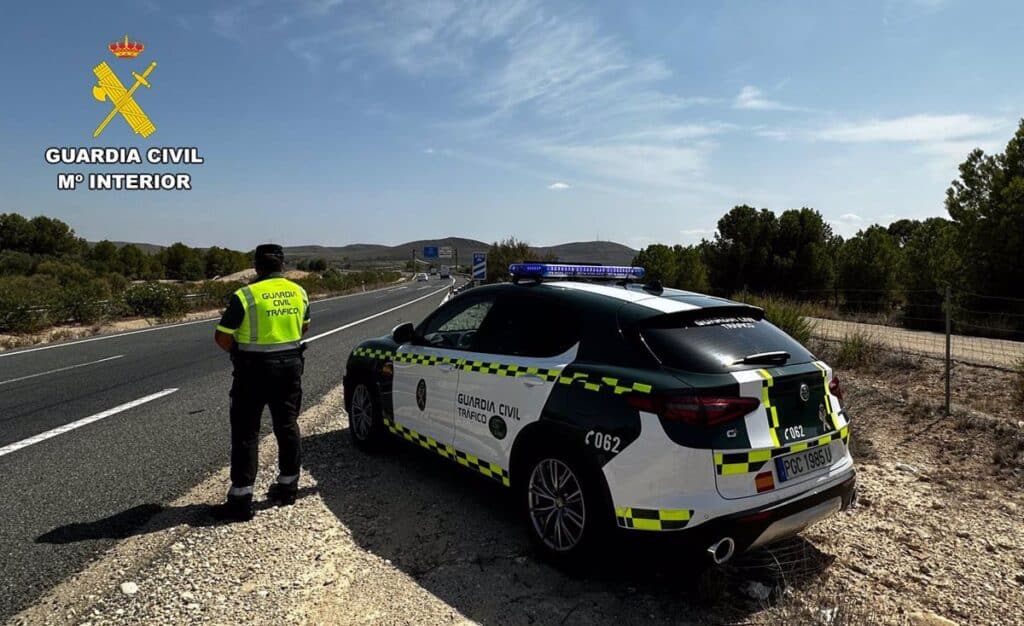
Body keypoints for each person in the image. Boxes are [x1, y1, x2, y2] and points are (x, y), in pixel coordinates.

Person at [212, 244, 310, 521]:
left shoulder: (245, 295)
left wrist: (239, 351)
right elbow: (305, 327)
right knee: (287, 425)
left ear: (256, 266)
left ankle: (241, 499)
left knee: (246, 432)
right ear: (283, 265)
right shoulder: (299, 292)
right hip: (290, 367)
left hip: (252, 369)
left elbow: (222, 337)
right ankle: (288, 487)